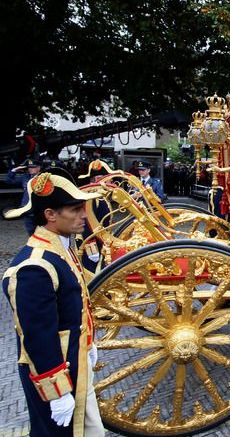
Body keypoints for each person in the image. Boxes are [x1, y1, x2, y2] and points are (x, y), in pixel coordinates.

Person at [2, 173, 105, 436]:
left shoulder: (61, 248)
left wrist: (88, 343)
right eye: (75, 209)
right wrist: (56, 393)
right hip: (56, 374)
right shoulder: (33, 267)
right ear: (50, 215)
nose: (84, 215)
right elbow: (37, 337)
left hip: (75, 362)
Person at [6, 158, 42, 235]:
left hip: (39, 209)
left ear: (39, 167)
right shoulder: (25, 177)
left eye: (33, 167)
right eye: (29, 167)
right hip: (27, 209)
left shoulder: (43, 177)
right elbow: (9, 180)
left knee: (42, 232)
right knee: (30, 232)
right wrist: (14, 170)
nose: (30, 169)